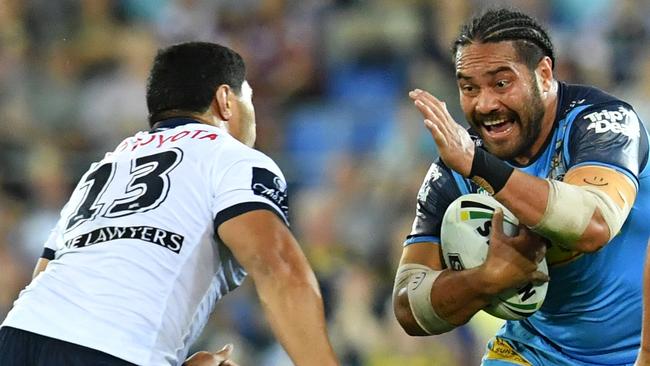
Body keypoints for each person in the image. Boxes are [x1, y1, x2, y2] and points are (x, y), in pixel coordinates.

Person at [0, 42, 339, 366]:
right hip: (115, 351)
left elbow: (46, 275)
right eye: (247, 98)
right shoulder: (233, 158)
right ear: (225, 100)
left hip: (18, 337)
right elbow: (277, 268)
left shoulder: (105, 167)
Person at [393, 8, 650, 365]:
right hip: (539, 352)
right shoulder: (453, 169)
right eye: (469, 88)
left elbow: (594, 224)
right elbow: (408, 306)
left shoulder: (603, 122)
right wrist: (484, 281)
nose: (485, 104)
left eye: (501, 83)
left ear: (543, 74)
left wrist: (481, 167)